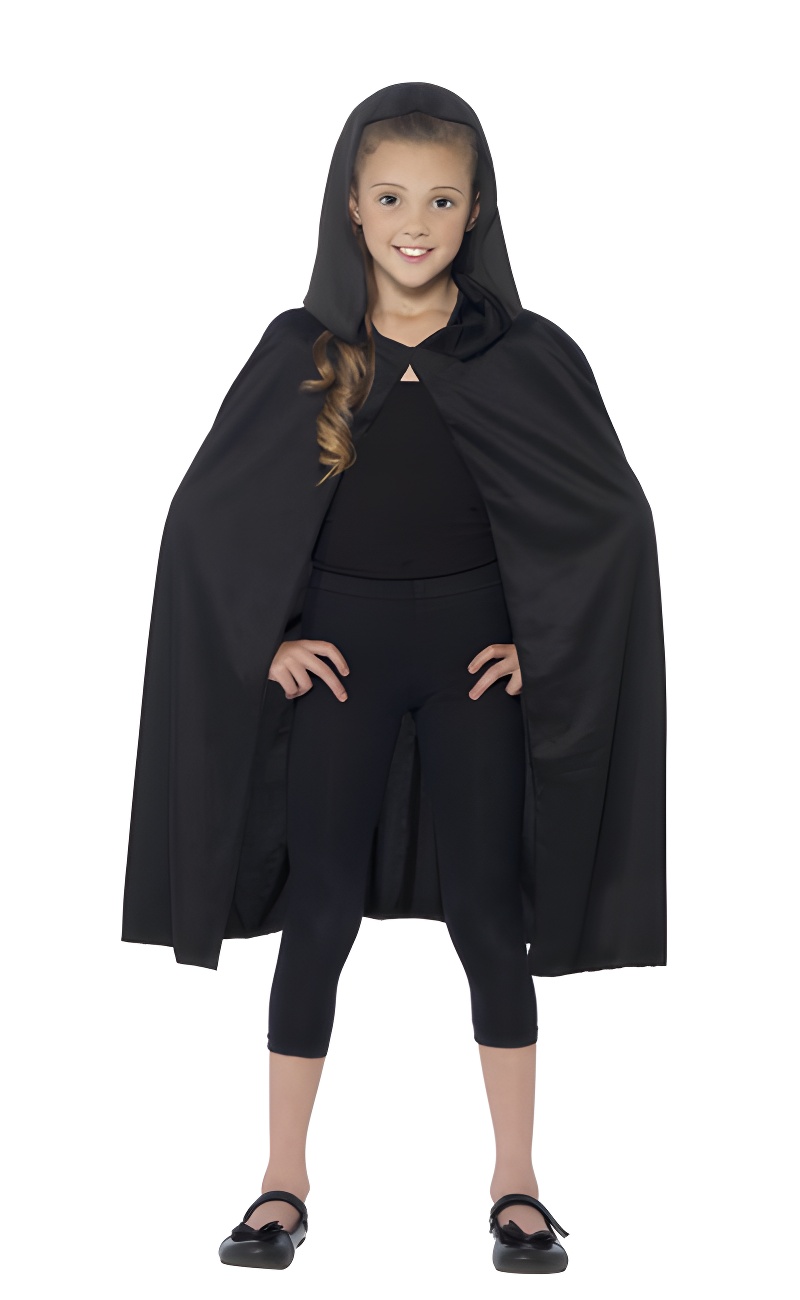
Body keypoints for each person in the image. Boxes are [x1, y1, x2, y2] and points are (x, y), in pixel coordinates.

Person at [122, 82, 666, 1277]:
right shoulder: (302, 351)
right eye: (389, 198)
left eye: (440, 200)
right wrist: (263, 643)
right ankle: (281, 1180)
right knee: (319, 914)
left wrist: (542, 641)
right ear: (350, 208)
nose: (413, 223)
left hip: (471, 669)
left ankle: (516, 1184)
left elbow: (613, 521)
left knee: (487, 918)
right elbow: (203, 522)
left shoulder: (524, 355)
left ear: (475, 212)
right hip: (345, 668)